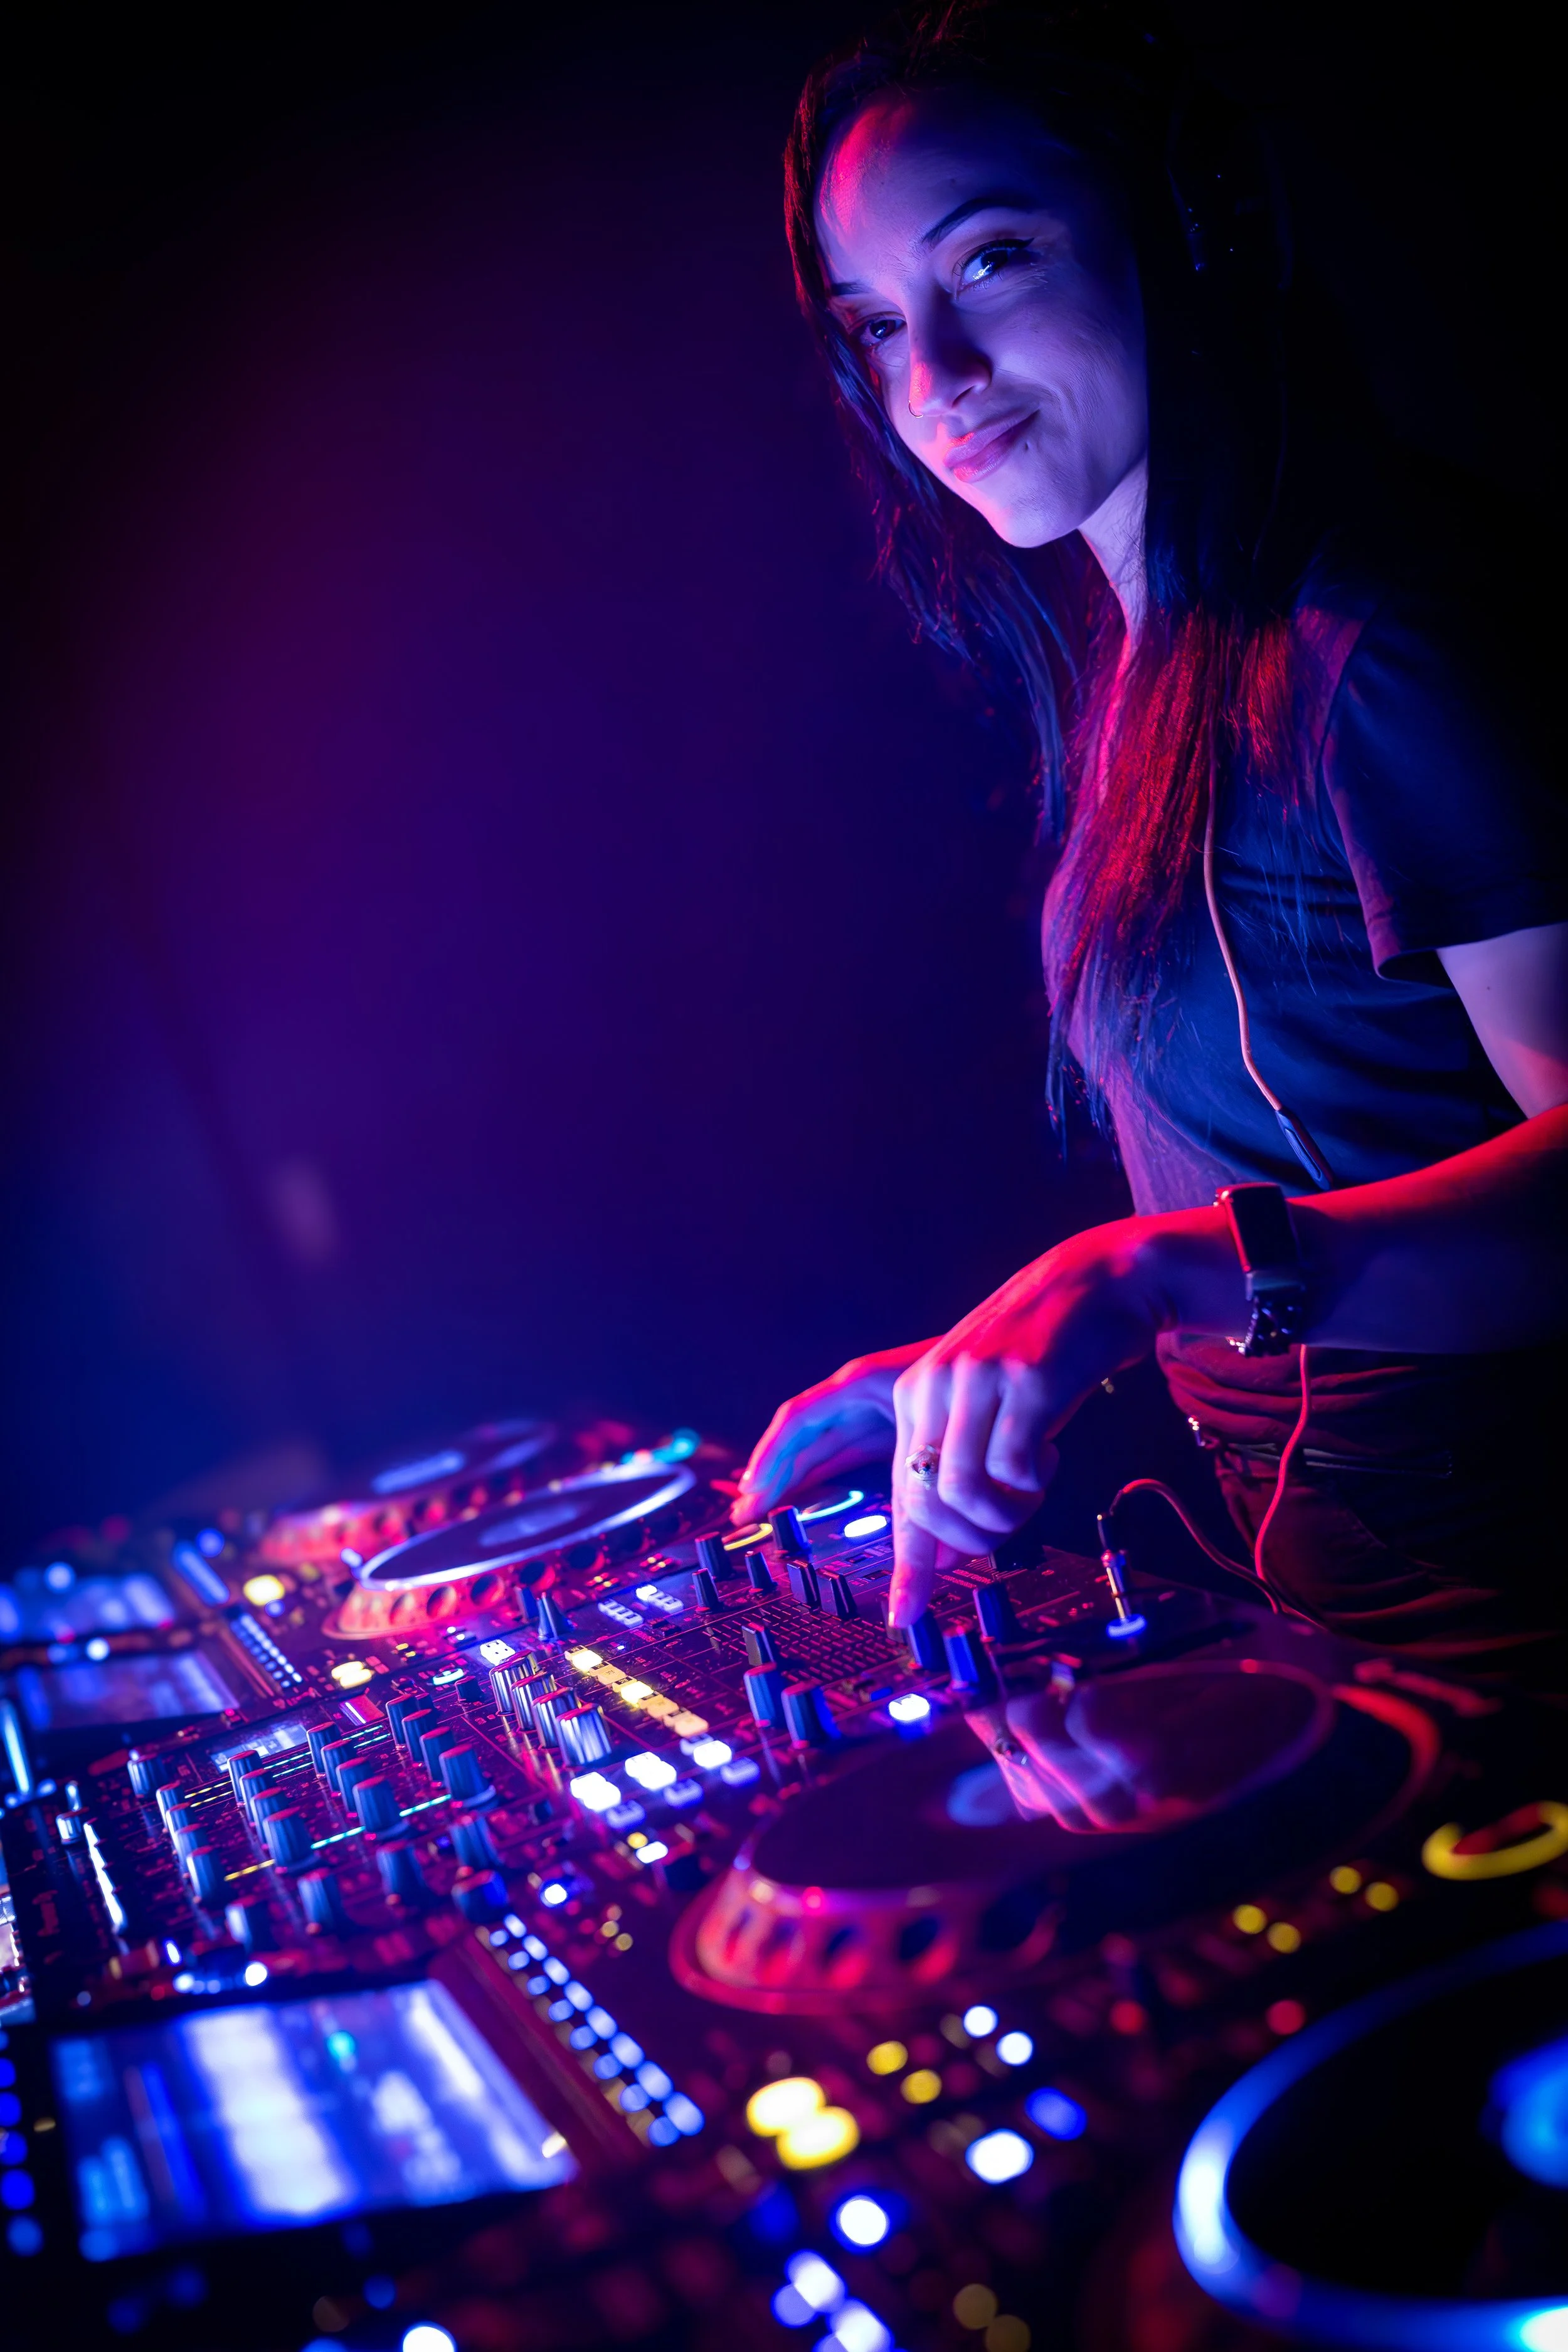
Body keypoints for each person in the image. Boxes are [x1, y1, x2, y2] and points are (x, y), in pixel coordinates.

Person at [732, 1, 1568, 1685]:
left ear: (1186, 224)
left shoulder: (1368, 639)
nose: (932, 380)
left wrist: (1134, 1277)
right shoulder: (1146, 678)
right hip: (1372, 1657)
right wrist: (984, 1364)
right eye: (879, 322)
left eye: (990, 263)